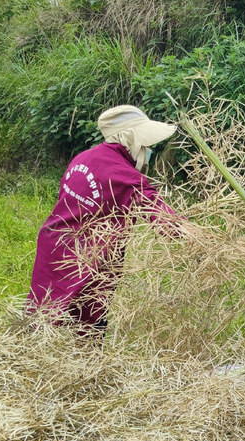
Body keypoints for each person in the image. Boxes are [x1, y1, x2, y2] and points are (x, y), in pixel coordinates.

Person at [27, 105, 182, 337]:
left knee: (43, 317)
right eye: (147, 145)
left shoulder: (83, 158)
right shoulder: (124, 174)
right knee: (85, 330)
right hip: (89, 259)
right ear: (131, 139)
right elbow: (164, 220)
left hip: (54, 245)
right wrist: (200, 236)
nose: (149, 151)